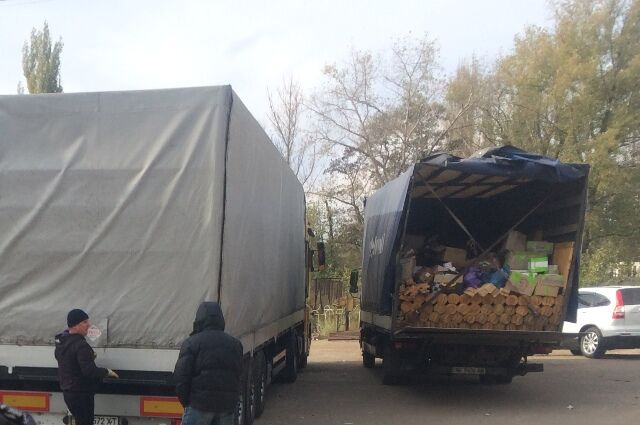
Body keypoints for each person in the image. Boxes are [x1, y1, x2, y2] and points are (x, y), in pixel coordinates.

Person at [174, 302, 243, 425]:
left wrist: (188, 403)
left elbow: (181, 379)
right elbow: (237, 375)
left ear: (199, 320)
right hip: (226, 407)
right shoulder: (235, 344)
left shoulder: (191, 343)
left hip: (198, 406)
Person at [54, 309, 119, 425]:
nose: (88, 325)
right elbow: (89, 371)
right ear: (75, 325)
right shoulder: (80, 344)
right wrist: (106, 372)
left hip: (69, 391)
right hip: (81, 393)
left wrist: (87, 357)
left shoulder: (62, 342)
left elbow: (68, 362)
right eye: (84, 322)